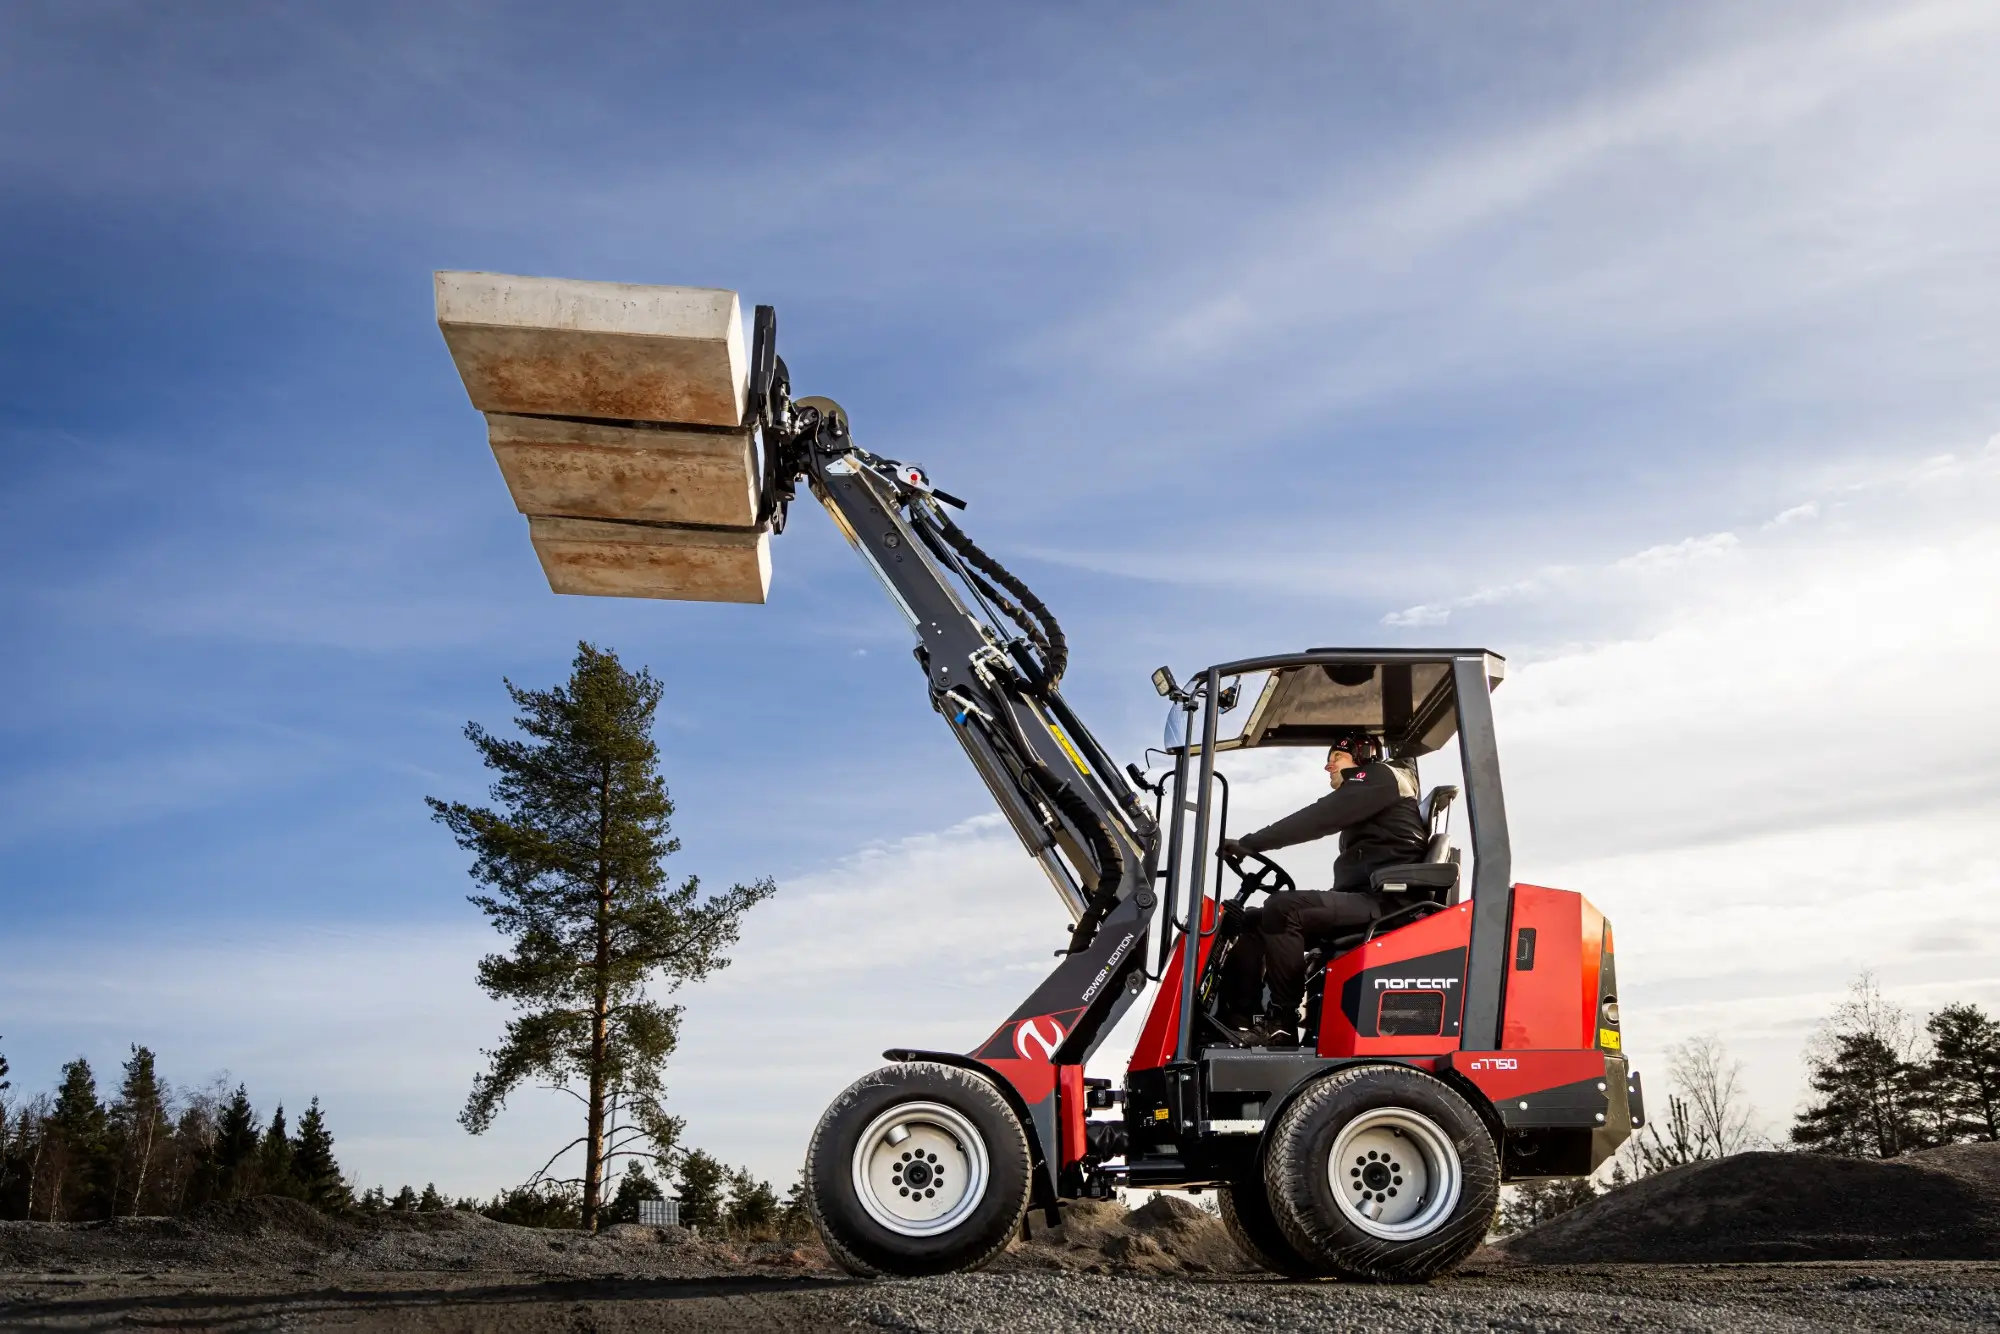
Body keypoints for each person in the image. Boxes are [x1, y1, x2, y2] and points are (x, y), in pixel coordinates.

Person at [1216, 728, 1429, 1046]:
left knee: (1283, 908)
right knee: (1254, 920)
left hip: (1387, 902)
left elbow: (1318, 817)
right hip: (1365, 898)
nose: (1328, 766)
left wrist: (1250, 843)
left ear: (1364, 758)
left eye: (1337, 757)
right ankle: (1239, 1021)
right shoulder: (1376, 793)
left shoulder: (1380, 777)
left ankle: (1282, 1024)